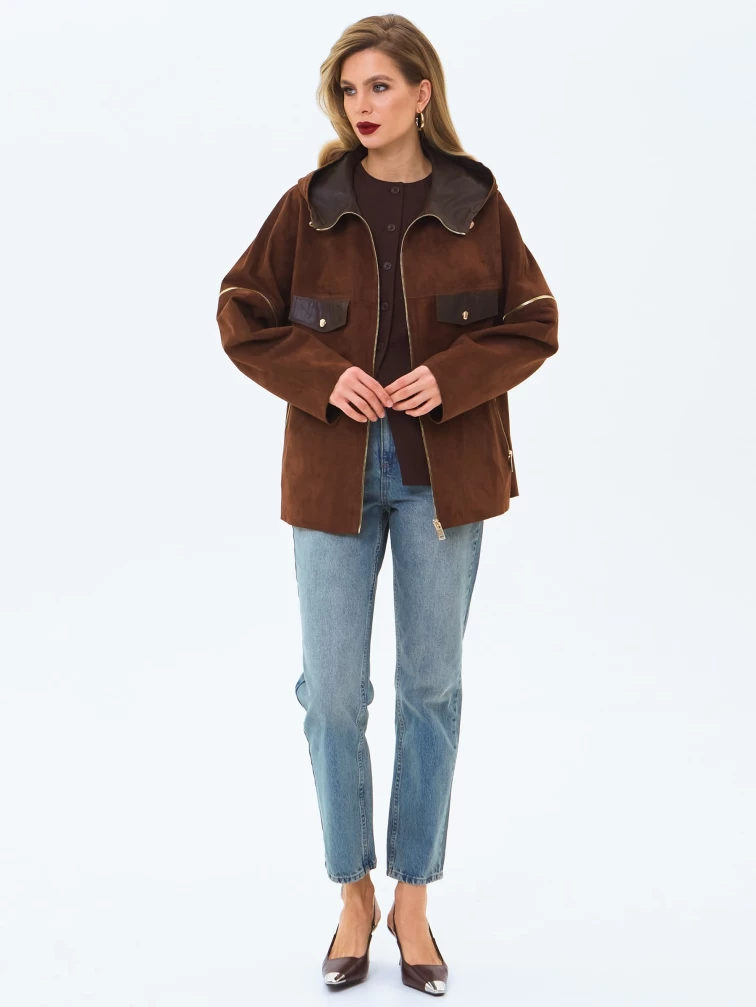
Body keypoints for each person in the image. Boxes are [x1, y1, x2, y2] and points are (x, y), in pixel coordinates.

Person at [215, 13, 559, 996]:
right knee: (331, 694)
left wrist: (452, 376)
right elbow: (240, 310)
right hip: (332, 475)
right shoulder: (310, 204)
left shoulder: (477, 203)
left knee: (430, 687)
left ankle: (413, 897)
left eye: (379, 86)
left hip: (443, 477)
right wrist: (323, 375)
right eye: (348, 89)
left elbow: (535, 321)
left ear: (421, 93)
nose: (361, 105)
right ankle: (352, 890)